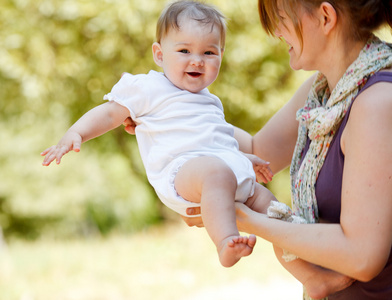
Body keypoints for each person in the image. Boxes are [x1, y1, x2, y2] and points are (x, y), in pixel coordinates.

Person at [174, 0, 392, 299]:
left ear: (326, 17)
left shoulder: (381, 104)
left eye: (281, 18)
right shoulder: (321, 94)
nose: (277, 32)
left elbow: (362, 255)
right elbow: (256, 149)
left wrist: (242, 217)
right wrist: (166, 117)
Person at [41, 0, 280, 268]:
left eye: (209, 53)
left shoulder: (211, 101)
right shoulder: (149, 87)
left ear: (221, 55)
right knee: (217, 172)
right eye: (184, 50)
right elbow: (109, 114)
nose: (197, 60)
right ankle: (226, 241)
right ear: (159, 54)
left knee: (274, 209)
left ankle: (309, 271)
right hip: (180, 172)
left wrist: (243, 158)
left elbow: (213, 140)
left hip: (220, 169)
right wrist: (76, 133)